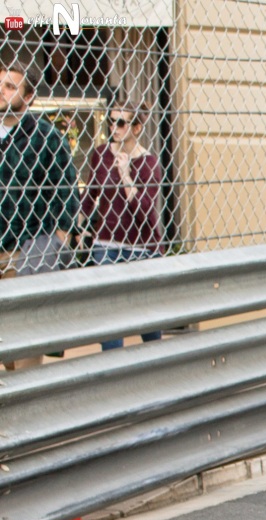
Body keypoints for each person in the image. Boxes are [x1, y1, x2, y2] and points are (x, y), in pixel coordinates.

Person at [0, 64, 78, 370]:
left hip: (27, 249)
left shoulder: (46, 136)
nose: (1, 91)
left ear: (29, 96)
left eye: (10, 86)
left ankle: (30, 409)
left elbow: (67, 191)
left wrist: (57, 241)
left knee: (26, 341)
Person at [83, 102, 164, 350]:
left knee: (146, 317)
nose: (114, 127)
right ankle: (113, 371)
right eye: (112, 121)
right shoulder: (100, 154)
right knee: (110, 313)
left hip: (141, 247)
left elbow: (146, 215)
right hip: (106, 243)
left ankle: (156, 361)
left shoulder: (149, 163)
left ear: (137, 127)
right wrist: (81, 227)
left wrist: (126, 174)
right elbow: (90, 194)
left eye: (121, 122)